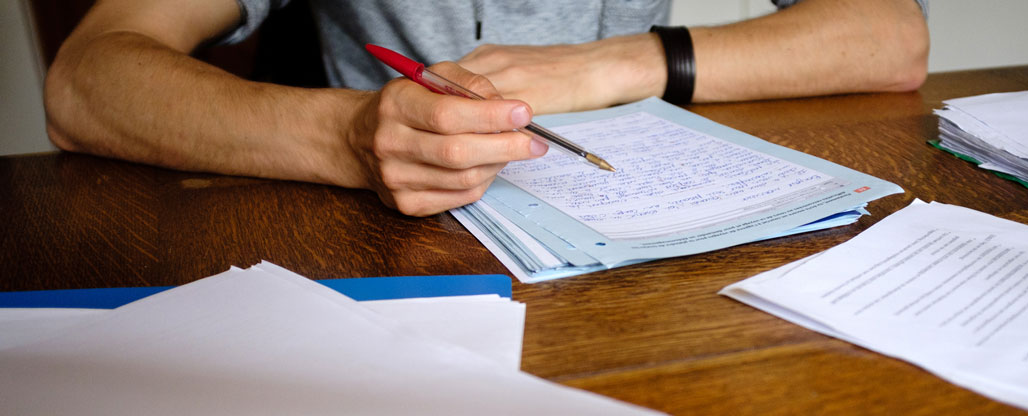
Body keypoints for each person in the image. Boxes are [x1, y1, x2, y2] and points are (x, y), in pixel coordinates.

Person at [44, 0, 929, 217]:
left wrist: (618, 62)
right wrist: (347, 134)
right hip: (387, 243)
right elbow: (86, 82)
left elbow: (890, 35)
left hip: (634, 238)